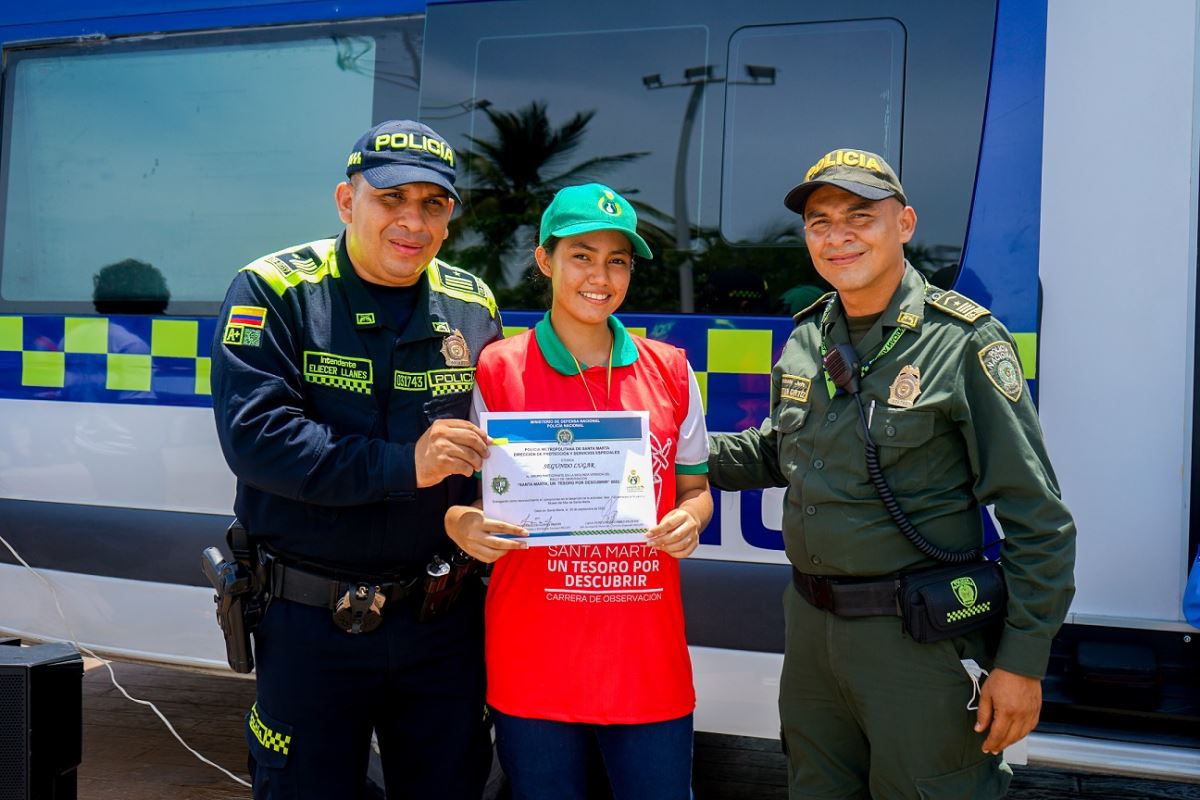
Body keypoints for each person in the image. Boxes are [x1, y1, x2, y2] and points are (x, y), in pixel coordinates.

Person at [707, 149, 1076, 799]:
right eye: (819, 221)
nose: (837, 235)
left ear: (903, 224)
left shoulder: (964, 342)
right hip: (813, 635)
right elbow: (777, 453)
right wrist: (656, 450)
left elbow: (1038, 518)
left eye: (859, 216)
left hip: (915, 642)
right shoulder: (808, 337)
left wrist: (1020, 665)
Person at [210, 119, 501, 799]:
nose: (413, 221)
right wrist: (406, 467)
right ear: (347, 202)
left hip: (443, 621)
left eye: (434, 204)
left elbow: (497, 443)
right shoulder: (273, 291)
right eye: (391, 199)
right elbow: (256, 440)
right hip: (311, 620)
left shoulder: (471, 302)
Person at [444, 183, 712, 800]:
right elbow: (458, 499)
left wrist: (691, 520)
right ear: (546, 260)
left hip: (647, 664)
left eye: (617, 260)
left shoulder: (670, 370)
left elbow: (696, 489)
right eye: (582, 255)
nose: (601, 275)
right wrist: (464, 525)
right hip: (533, 662)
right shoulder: (496, 369)